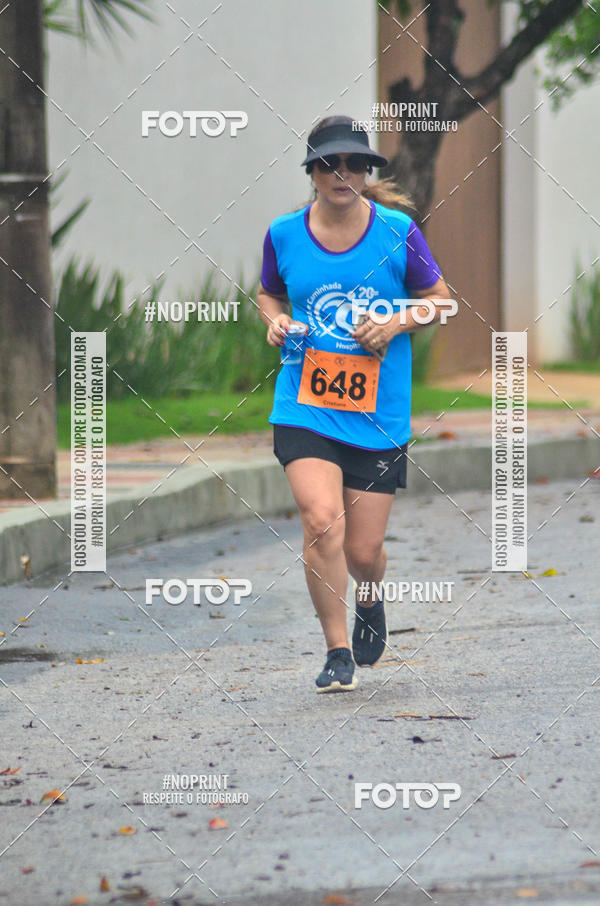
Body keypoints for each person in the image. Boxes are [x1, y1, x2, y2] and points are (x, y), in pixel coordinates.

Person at [257, 115, 452, 693]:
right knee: (322, 524)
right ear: (313, 172)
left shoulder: (398, 231)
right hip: (305, 404)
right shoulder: (284, 233)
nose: (343, 174)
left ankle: (370, 596)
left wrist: (395, 321)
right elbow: (269, 292)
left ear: (368, 172)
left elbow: (442, 302)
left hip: (377, 412)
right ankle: (336, 650)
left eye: (355, 164)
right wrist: (276, 321)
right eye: (330, 164)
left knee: (363, 551)